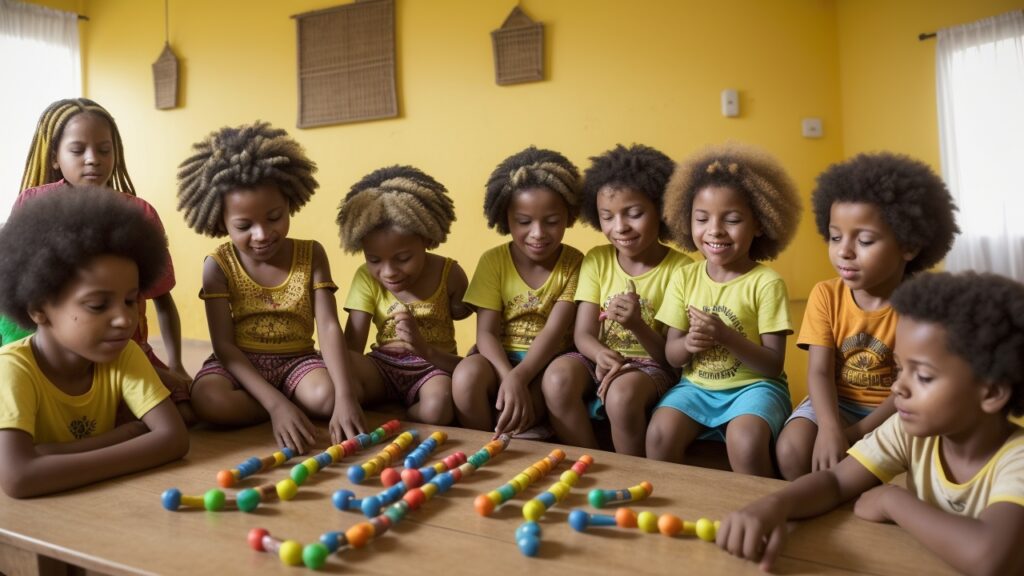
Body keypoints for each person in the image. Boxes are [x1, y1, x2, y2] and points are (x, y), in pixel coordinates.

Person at [717, 271, 1024, 576]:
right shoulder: (909, 433)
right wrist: (773, 507)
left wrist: (892, 500)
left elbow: (989, 557)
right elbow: (836, 482)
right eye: (900, 369)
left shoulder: (1017, 459)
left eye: (924, 376)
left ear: (992, 392)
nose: (897, 388)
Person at [3, 98, 194, 424]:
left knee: (187, 412)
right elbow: (20, 293)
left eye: (104, 150)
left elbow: (163, 300)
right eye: (78, 150)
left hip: (121, 348)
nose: (93, 160)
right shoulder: (33, 204)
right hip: (55, 352)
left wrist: (176, 364)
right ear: (54, 158)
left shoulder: (140, 213)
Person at [176, 121, 363, 452]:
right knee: (208, 400)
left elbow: (329, 326)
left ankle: (285, 404)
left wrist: (346, 399)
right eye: (244, 225)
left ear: (290, 203)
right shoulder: (218, 264)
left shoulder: (311, 253)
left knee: (329, 397)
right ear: (221, 221)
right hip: (240, 364)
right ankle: (281, 406)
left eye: (274, 217)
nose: (262, 235)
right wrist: (277, 405)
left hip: (297, 361)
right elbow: (224, 346)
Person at [775, 152, 959, 480]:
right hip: (834, 403)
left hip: (897, 409)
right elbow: (818, 372)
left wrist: (857, 433)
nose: (844, 250)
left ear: (909, 246)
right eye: (835, 237)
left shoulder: (919, 307)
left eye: (864, 240)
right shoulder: (826, 295)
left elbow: (908, 387)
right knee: (791, 451)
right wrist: (831, 429)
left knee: (905, 475)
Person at [0, 187, 189, 498]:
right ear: (39, 308)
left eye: (130, 301)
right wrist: (126, 436)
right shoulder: (13, 369)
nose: (125, 320)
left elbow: (174, 439)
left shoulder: (123, 351)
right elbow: (18, 478)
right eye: (98, 306)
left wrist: (54, 454)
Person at [646, 144, 802, 476]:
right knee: (659, 434)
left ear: (760, 224)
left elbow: (772, 366)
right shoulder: (684, 277)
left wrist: (726, 336)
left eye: (732, 219)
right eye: (702, 219)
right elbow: (673, 355)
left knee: (744, 441)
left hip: (755, 388)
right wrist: (689, 344)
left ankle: (761, 511)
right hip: (696, 387)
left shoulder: (766, 283)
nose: (715, 230)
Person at [541, 144, 692, 456]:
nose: (619, 227)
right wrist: (601, 355)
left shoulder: (683, 270)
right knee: (556, 378)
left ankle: (631, 473)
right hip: (600, 356)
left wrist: (636, 324)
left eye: (634, 214)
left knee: (621, 395)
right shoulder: (598, 259)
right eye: (607, 216)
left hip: (653, 365)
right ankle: (590, 463)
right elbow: (583, 334)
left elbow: (673, 359)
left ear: (662, 210)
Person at [452, 147, 584, 437]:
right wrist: (507, 375)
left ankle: (528, 433)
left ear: (568, 216)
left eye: (551, 221)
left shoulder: (574, 263)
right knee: (465, 378)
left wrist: (521, 378)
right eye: (524, 222)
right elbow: (485, 333)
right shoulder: (493, 261)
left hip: (549, 360)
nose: (538, 233)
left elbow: (554, 332)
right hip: (498, 357)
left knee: (524, 410)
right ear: (506, 218)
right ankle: (484, 448)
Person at [337, 165, 470, 426]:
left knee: (438, 407)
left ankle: (399, 416)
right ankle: (388, 406)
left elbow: (467, 313)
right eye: (374, 260)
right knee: (335, 371)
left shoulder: (449, 273)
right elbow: (352, 345)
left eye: (403, 258)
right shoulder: (365, 277)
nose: (389, 272)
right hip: (382, 367)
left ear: (426, 239)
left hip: (431, 369)